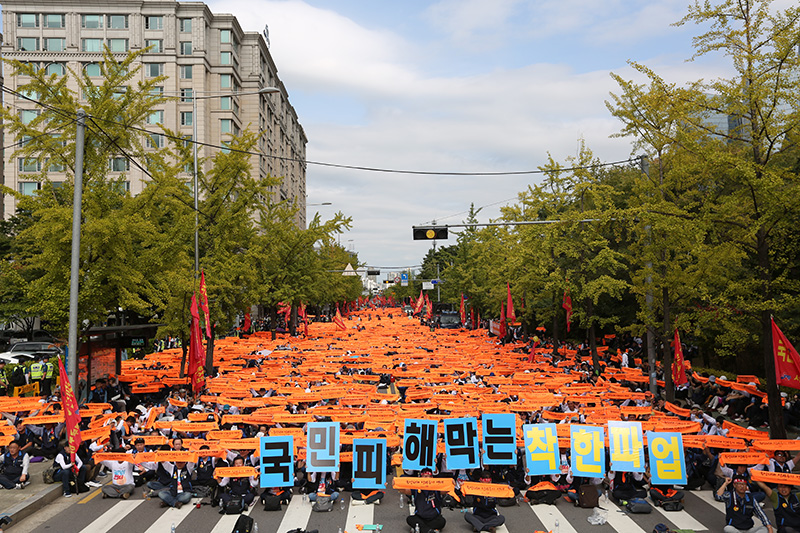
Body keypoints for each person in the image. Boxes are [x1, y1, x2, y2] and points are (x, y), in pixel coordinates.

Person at [398, 467, 446, 533]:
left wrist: (452, 483)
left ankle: (422, 529)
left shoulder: (436, 488)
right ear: (420, 478)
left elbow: (446, 490)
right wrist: (396, 484)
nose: (427, 478)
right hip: (420, 517)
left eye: (429, 476)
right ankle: (429, 530)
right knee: (410, 519)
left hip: (434, 518)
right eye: (425, 476)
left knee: (442, 521)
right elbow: (404, 491)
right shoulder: (416, 488)